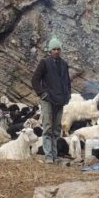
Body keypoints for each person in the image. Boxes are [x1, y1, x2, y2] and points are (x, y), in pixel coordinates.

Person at [31, 36, 72, 164]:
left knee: (57, 128)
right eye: (54, 49)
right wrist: (42, 94)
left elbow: (67, 82)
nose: (56, 51)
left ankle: (55, 155)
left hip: (60, 99)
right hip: (48, 99)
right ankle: (48, 156)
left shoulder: (64, 64)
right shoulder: (44, 62)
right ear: (50, 50)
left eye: (58, 49)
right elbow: (35, 80)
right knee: (48, 127)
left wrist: (68, 95)